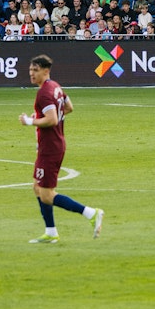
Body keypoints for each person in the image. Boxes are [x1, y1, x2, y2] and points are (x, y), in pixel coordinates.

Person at [18, 55, 104, 244]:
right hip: (53, 145)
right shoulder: (55, 86)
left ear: (45, 71)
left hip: (50, 147)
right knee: (37, 187)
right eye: (30, 70)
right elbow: (69, 108)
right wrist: (44, 115)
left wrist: (30, 121)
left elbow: (52, 120)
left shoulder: (44, 93)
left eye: (35, 70)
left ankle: (91, 213)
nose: (31, 74)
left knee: (47, 195)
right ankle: (50, 232)